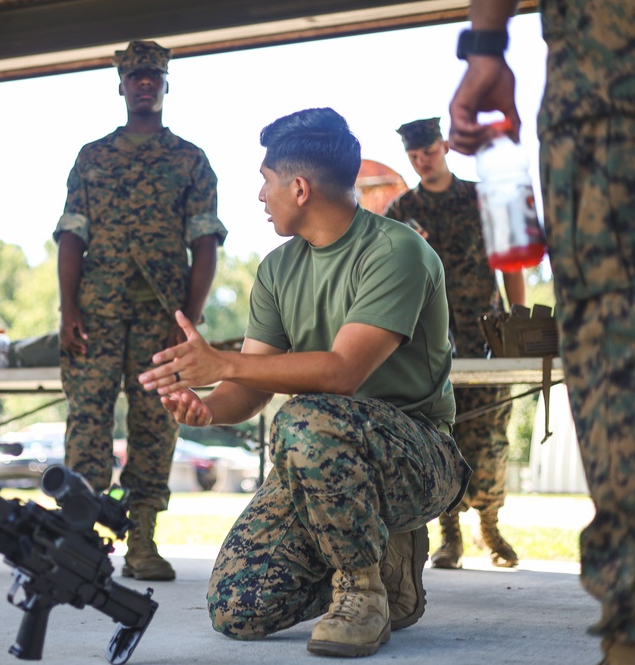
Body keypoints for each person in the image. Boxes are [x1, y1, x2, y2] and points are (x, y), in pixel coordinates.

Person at [139, 107, 472, 657]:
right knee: (238, 609)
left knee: (305, 417)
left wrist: (222, 364)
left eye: (265, 183)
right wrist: (209, 408)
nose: (260, 197)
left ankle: (364, 594)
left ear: (298, 188)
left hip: (419, 456)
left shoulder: (396, 251)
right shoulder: (277, 269)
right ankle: (369, 546)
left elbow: (342, 373)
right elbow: (250, 385)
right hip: (322, 457)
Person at [448, 0, 635, 662]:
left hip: (607, 90)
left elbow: (509, 267)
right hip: (604, 94)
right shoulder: (417, 206)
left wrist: (486, 44)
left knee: (617, 346)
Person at [54, 40, 227, 582]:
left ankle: (143, 541)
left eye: (154, 75)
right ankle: (82, 539)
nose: (145, 83)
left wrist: (190, 321)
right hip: (96, 312)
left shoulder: (190, 159)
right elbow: (71, 236)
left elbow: (205, 243)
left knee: (155, 424)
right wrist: (66, 309)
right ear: (122, 85)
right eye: (136, 76)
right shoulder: (92, 157)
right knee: (87, 423)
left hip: (162, 318)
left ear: (165, 84)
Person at [384, 116, 526, 569]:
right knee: (440, 434)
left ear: (444, 146)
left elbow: (511, 261)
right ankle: (449, 536)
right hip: (428, 342)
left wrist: (518, 322)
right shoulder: (401, 211)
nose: (422, 161)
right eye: (413, 156)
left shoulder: (481, 200)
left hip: (486, 335)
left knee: (489, 434)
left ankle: (490, 526)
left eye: (428, 151)